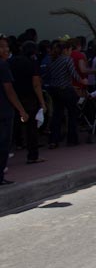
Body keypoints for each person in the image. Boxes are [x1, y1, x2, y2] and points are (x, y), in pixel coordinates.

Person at [9, 41, 46, 164]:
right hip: (29, 98)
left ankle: (11, 149)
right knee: (31, 128)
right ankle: (32, 155)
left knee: (11, 126)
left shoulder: (11, 61)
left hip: (13, 97)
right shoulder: (32, 63)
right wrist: (42, 102)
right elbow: (36, 84)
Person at [46, 41, 86, 149]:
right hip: (65, 89)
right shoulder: (67, 60)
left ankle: (53, 140)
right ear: (66, 50)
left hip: (54, 89)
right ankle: (72, 139)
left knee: (57, 114)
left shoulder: (52, 60)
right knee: (72, 113)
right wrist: (82, 81)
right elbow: (74, 74)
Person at [1, 35, 29, 185]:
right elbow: (9, 90)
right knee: (4, 143)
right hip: (4, 111)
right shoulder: (3, 66)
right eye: (2, 47)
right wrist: (21, 110)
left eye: (6, 46)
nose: (5, 50)